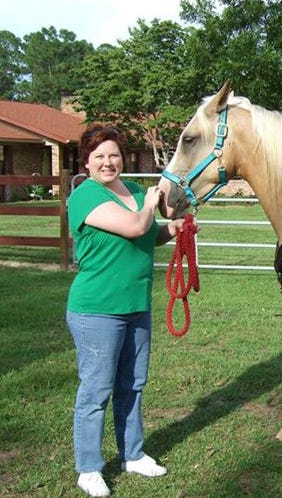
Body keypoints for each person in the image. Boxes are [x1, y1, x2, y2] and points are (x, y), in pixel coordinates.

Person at [66, 123, 191, 497]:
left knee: (133, 385)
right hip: (97, 310)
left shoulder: (134, 191)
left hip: (136, 304)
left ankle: (132, 455)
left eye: (114, 155)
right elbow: (137, 226)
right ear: (86, 162)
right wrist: (152, 204)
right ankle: (88, 468)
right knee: (96, 390)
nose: (108, 162)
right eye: (99, 156)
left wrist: (177, 228)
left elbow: (150, 234)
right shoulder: (85, 196)